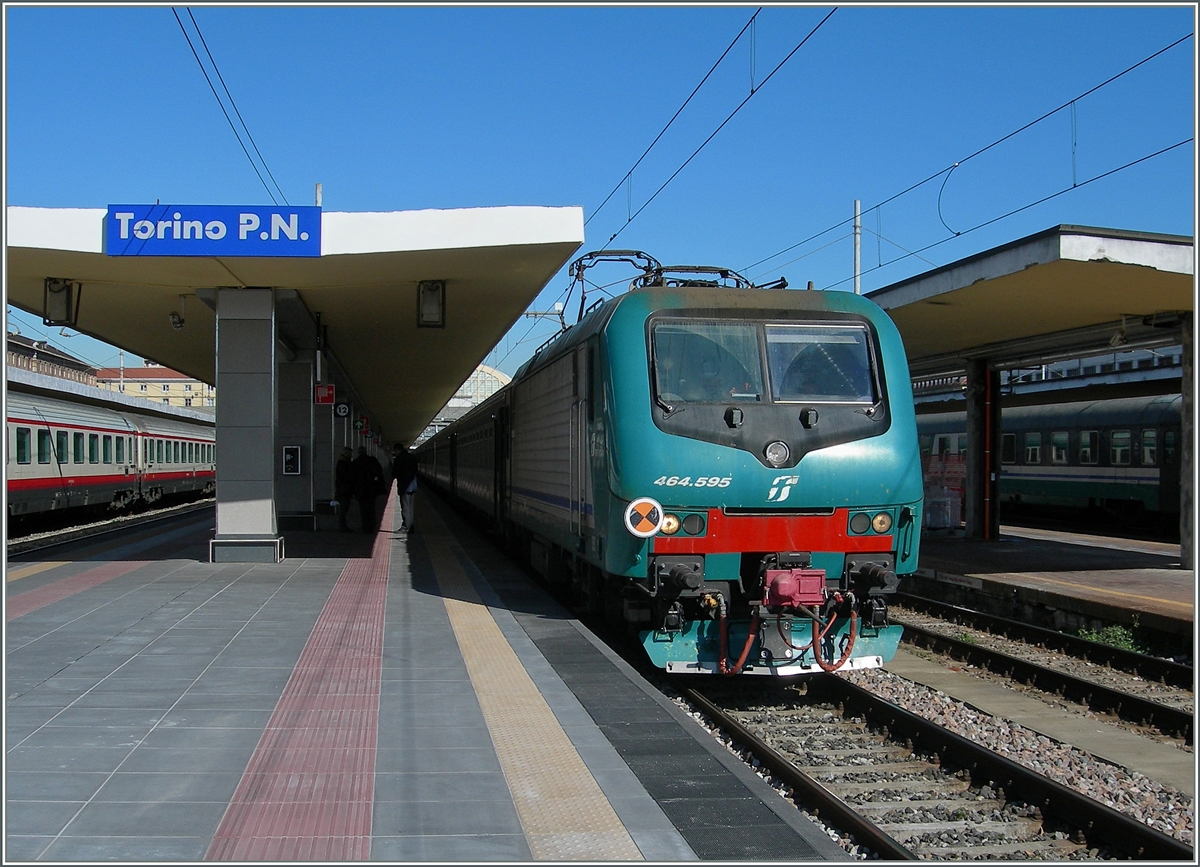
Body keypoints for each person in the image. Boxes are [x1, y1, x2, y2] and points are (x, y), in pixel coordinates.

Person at [351, 446, 385, 534]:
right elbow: (379, 471)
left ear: (359, 453)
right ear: (366, 452)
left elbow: (352, 478)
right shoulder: (372, 460)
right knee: (371, 508)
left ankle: (365, 527)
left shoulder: (355, 463)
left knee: (363, 510)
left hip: (360, 491)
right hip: (372, 489)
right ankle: (372, 526)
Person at [392, 441, 418, 532]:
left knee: (405, 507)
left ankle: (406, 526)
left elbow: (395, 473)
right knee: (410, 507)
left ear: (397, 449)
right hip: (413, 485)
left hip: (404, 486)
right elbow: (415, 470)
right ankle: (411, 526)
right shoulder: (412, 457)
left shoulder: (399, 459)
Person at [334, 446, 354, 532]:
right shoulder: (343, 463)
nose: (350, 455)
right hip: (344, 489)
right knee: (344, 508)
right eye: (349, 453)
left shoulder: (342, 462)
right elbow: (346, 476)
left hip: (343, 488)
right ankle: (343, 526)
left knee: (344, 508)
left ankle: (343, 526)